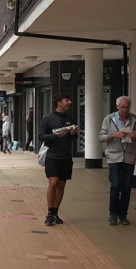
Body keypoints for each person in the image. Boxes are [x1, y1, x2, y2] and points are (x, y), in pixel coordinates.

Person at [99, 96, 136, 225]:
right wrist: (113, 135)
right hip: (114, 157)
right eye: (122, 107)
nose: (125, 110)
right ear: (117, 106)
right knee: (115, 185)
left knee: (126, 187)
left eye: (127, 107)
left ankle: (123, 214)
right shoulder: (109, 119)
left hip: (129, 157)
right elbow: (101, 137)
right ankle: (113, 214)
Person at [39, 93, 78, 227]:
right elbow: (41, 136)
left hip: (66, 156)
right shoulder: (48, 118)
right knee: (53, 182)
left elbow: (73, 139)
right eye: (67, 100)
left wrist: (73, 134)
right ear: (59, 102)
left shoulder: (70, 119)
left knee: (61, 185)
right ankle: (49, 213)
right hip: (52, 155)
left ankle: (55, 213)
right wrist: (56, 137)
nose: (69, 102)